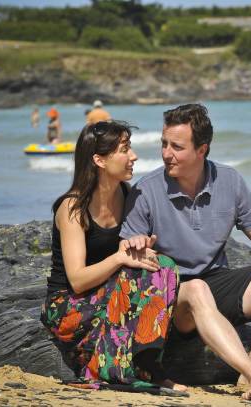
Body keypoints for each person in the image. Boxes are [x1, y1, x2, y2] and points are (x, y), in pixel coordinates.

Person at [120, 104, 251, 400]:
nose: (166, 153)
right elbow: (126, 250)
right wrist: (138, 248)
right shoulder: (145, 191)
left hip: (219, 283)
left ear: (202, 150)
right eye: (164, 144)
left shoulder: (230, 180)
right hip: (174, 297)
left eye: (177, 146)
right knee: (197, 288)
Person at [40, 121, 186, 393]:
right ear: (99, 160)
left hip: (107, 292)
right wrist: (120, 258)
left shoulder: (127, 194)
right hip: (69, 306)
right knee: (142, 272)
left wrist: (142, 248)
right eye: (125, 149)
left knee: (162, 266)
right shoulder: (73, 208)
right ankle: (117, 369)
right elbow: (78, 280)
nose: (134, 156)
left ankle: (148, 364)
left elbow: (136, 254)